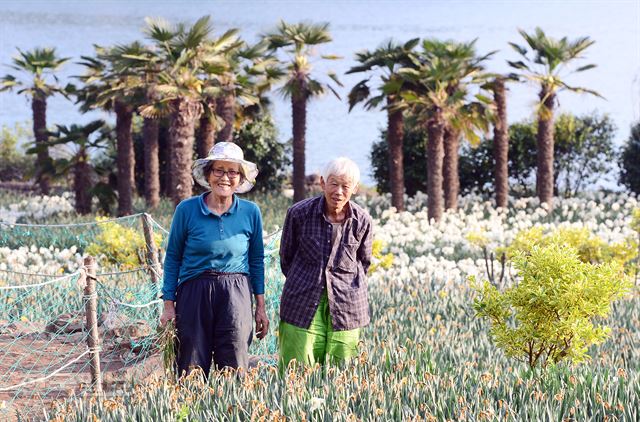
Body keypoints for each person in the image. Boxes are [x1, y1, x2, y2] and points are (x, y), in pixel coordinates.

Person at [160, 142, 269, 377]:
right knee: (190, 364)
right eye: (219, 170)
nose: (225, 178)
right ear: (208, 175)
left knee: (235, 362)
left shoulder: (251, 212)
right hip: (194, 291)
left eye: (232, 172)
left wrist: (260, 306)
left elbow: (257, 261)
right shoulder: (186, 210)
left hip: (236, 292)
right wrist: (169, 305)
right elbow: (173, 259)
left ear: (240, 179)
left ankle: (230, 410)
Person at [278, 157, 373, 369]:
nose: (338, 191)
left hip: (346, 306)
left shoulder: (362, 220)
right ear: (322, 183)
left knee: (341, 377)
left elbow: (363, 262)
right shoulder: (299, 213)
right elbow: (286, 257)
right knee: (297, 372)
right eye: (334, 183)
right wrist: (306, 279)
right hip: (301, 302)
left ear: (355, 189)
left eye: (345, 186)